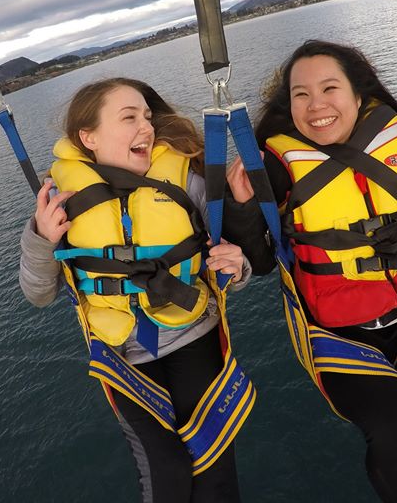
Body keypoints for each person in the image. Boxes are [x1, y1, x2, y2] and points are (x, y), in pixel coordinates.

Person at [226, 40, 397, 503]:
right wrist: (243, 206)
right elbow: (260, 262)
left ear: (358, 95)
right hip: (337, 334)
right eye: (301, 94)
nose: (316, 105)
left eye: (329, 88)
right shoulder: (277, 166)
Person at [19, 77, 260, 503]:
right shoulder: (62, 201)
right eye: (129, 117)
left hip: (194, 335)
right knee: (165, 471)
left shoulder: (187, 183)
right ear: (87, 137)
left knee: (215, 474)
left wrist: (235, 265)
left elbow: (231, 265)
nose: (146, 127)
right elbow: (39, 294)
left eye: (147, 116)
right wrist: (40, 237)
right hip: (122, 354)